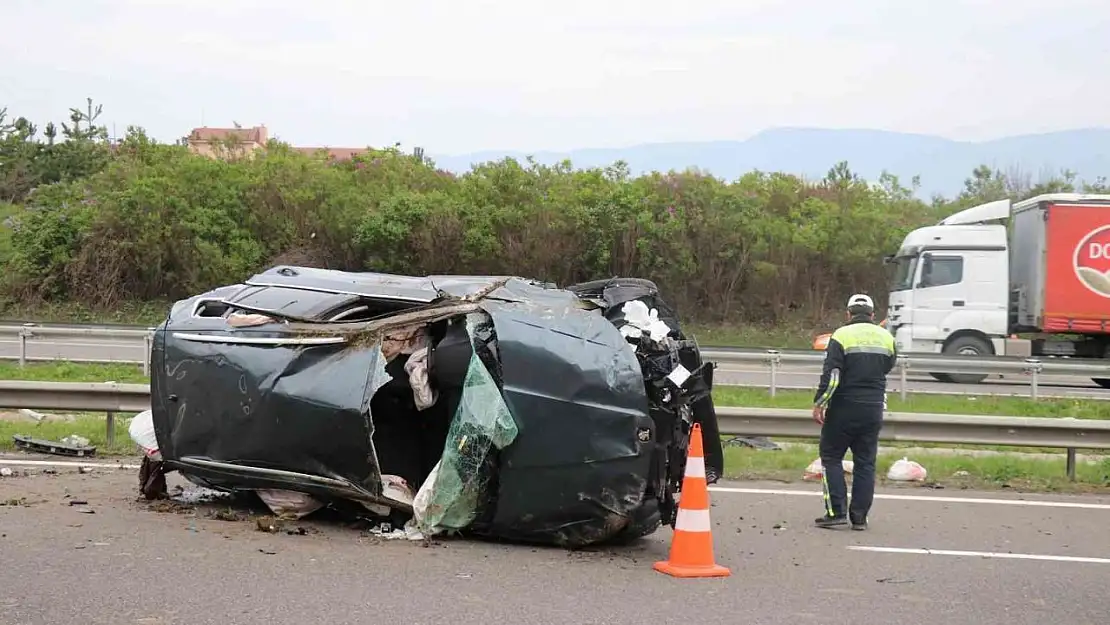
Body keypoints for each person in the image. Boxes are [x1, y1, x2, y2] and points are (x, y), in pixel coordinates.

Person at [811, 293, 896, 531]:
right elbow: (888, 366)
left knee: (831, 457)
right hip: (873, 409)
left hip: (843, 408)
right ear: (872, 315)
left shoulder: (841, 335)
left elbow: (833, 375)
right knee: (865, 463)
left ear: (848, 314)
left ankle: (836, 512)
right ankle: (859, 518)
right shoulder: (886, 337)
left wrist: (820, 402)